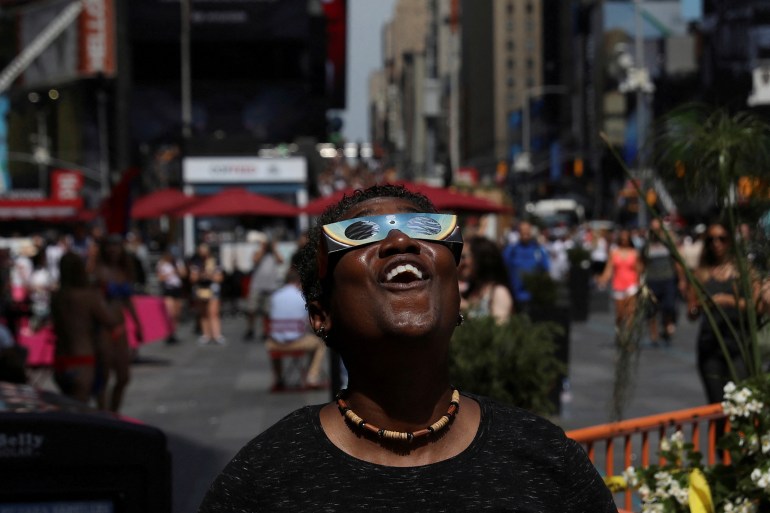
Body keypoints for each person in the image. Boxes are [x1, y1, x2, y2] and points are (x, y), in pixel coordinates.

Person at [199, 184, 617, 512]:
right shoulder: (263, 480)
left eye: (426, 228)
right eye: (359, 233)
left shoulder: (548, 461)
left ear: (458, 298)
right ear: (321, 313)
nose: (400, 240)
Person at [686, 221, 757, 405]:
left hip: (739, 344)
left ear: (730, 242)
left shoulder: (744, 270)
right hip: (710, 345)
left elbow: (756, 306)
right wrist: (700, 307)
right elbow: (691, 311)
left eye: (721, 239)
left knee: (740, 401)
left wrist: (727, 301)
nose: (716, 243)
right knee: (717, 404)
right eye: (711, 239)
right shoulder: (700, 273)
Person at [51, 252, 121, 404]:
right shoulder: (88, 296)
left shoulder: (56, 297)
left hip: (60, 359)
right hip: (82, 358)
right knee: (81, 410)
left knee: (68, 406)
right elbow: (110, 321)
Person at [93, 234, 144, 412]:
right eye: (110, 246)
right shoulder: (97, 271)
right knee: (104, 375)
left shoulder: (124, 270)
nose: (113, 249)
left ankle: (114, 411)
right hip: (103, 327)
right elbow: (93, 301)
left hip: (119, 326)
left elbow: (128, 300)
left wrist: (138, 324)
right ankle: (103, 412)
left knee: (123, 376)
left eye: (116, 245)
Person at [264, 265, 327, 390]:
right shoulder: (301, 298)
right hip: (297, 342)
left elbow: (269, 316)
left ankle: (279, 377)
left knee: (273, 340)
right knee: (320, 344)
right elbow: (308, 322)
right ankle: (312, 376)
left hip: (274, 343)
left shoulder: (275, 296)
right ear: (298, 282)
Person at [642, 219, 685, 346]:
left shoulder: (668, 243)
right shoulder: (647, 244)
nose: (655, 232)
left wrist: (682, 279)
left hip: (668, 279)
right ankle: (654, 335)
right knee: (652, 310)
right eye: (653, 229)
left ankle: (667, 325)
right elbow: (642, 262)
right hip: (652, 280)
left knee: (669, 306)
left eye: (658, 229)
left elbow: (677, 262)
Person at [458, 235, 514, 323]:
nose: (460, 263)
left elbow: (500, 331)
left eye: (464, 257)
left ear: (480, 259)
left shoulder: (499, 292)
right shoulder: (473, 290)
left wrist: (466, 308)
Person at [596, 228, 642, 334]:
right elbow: (609, 269)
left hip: (632, 283)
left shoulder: (634, 253)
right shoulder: (614, 253)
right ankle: (620, 332)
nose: (624, 241)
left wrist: (640, 282)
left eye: (626, 239)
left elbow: (638, 269)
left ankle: (629, 336)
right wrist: (603, 279)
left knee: (630, 311)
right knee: (620, 313)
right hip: (618, 284)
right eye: (622, 239)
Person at [502, 220, 550, 313]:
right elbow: (504, 265)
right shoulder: (512, 250)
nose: (525, 236)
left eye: (527, 233)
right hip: (515, 294)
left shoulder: (537, 249)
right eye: (523, 233)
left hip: (534, 295)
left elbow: (545, 266)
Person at [243, 240, 284, 341]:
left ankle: (266, 331)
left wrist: (274, 249)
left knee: (267, 312)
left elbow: (281, 261)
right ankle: (250, 329)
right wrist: (262, 248)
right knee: (251, 309)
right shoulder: (258, 252)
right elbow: (255, 260)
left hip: (270, 286)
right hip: (257, 286)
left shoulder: (274, 254)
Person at [188, 243, 225, 345]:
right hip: (200, 289)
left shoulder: (215, 261)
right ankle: (206, 334)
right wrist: (200, 275)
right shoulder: (196, 263)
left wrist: (210, 275)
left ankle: (216, 334)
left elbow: (220, 277)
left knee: (214, 312)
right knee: (203, 313)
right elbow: (192, 278)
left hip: (212, 288)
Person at [156, 249, 186, 344]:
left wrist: (177, 270)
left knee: (177, 313)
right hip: (168, 289)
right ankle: (168, 332)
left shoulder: (178, 262)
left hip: (177, 288)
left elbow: (184, 274)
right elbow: (160, 277)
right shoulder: (162, 263)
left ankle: (173, 332)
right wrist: (170, 273)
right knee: (170, 312)